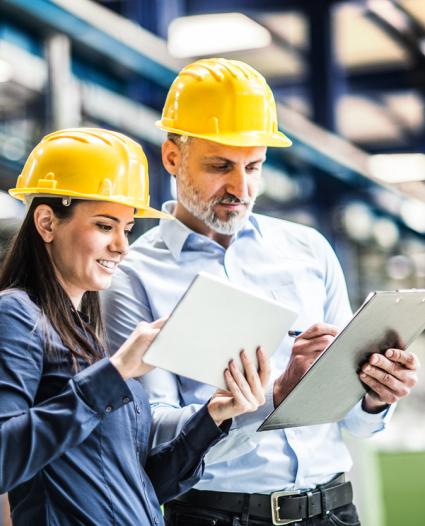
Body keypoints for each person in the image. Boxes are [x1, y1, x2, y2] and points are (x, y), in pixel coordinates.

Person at [102, 59, 419, 526]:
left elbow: (355, 422)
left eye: (254, 166)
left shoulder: (309, 250)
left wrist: (375, 393)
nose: (241, 187)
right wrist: (274, 395)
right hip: (219, 516)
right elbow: (154, 441)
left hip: (333, 510)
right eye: (220, 166)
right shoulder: (132, 275)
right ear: (172, 157)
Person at [0, 127, 270, 526]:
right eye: (105, 226)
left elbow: (138, 487)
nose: (122, 246)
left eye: (127, 229)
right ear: (46, 222)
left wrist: (212, 418)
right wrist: (117, 372)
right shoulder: (17, 315)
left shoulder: (86, 338)